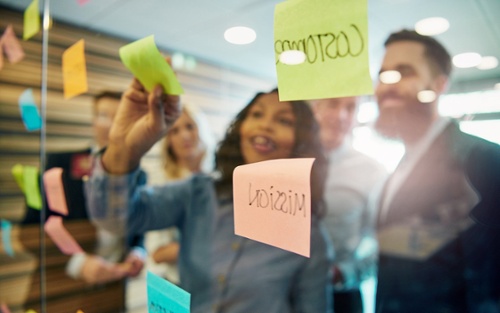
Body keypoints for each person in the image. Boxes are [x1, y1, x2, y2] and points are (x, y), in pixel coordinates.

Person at [85, 76, 332, 313]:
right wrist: (122, 147)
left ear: (301, 141)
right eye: (256, 114)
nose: (265, 124)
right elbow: (117, 219)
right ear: (241, 129)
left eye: (284, 121)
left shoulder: (308, 236)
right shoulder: (199, 194)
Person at [374, 29, 500, 312]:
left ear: (439, 84)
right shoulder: (400, 168)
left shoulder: (484, 161)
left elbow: (490, 290)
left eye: (404, 72)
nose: (386, 85)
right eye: (383, 75)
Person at [22, 91, 146, 285]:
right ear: (93, 121)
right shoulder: (59, 165)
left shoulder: (138, 175)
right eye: (104, 116)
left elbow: (138, 227)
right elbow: (29, 231)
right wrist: (77, 262)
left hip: (113, 287)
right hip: (61, 287)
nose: (112, 125)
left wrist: (138, 252)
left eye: (120, 117)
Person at [311, 97, 388, 313]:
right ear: (315, 107)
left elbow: (383, 242)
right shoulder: (285, 164)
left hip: (340, 295)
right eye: (333, 104)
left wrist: (344, 272)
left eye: (350, 107)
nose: (341, 116)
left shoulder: (372, 171)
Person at [146, 103, 215, 285]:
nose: (184, 135)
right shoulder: (162, 187)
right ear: (168, 141)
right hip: (179, 285)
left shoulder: (220, 180)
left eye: (190, 126)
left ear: (201, 129)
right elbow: (158, 253)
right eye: (174, 131)